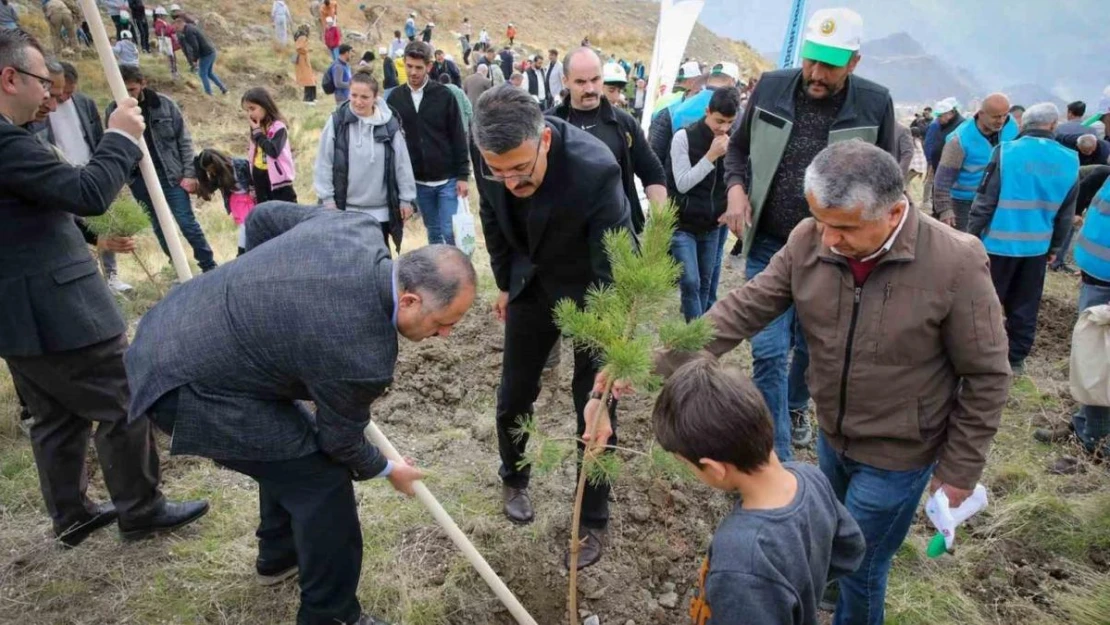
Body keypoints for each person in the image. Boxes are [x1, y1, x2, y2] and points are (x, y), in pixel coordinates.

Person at [594, 140, 1009, 625]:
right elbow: (743, 308)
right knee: (828, 541)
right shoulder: (808, 239)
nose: (828, 239)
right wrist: (653, 363)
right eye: (820, 221)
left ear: (895, 212)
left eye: (845, 227)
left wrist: (959, 469)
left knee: (865, 569)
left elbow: (985, 374)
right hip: (833, 433)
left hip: (900, 451)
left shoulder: (955, 262)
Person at [126, 201, 477, 625]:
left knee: (288, 444)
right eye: (444, 323)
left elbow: (262, 219)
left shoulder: (355, 228)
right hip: (186, 386)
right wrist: (388, 469)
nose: (444, 336)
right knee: (322, 481)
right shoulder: (363, 355)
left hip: (171, 324)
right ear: (409, 299)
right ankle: (331, 615)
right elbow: (340, 442)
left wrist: (260, 295)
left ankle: (278, 556)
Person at [0, 28, 209, 549]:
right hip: (61, 308)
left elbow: (30, 208)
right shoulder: (5, 142)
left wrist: (92, 234)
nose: (49, 94)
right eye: (40, 82)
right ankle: (142, 508)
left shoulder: (14, 140)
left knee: (54, 416)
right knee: (125, 397)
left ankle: (71, 513)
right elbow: (88, 190)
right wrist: (119, 136)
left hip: (18, 314)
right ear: (9, 78)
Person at [719, 8, 897, 458]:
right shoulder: (773, 86)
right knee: (769, 352)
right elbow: (737, 150)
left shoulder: (875, 104)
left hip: (834, 250)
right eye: (811, 61)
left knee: (811, 346)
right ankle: (774, 456)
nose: (816, 74)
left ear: (853, 63)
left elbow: (886, 177)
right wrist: (737, 190)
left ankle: (796, 405)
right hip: (769, 244)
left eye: (830, 66)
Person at [474, 84, 634, 569]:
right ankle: (515, 476)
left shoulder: (595, 168)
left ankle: (593, 517)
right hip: (530, 286)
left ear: (543, 139)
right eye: (496, 171)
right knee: (515, 392)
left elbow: (615, 266)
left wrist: (611, 351)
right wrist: (505, 281)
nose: (509, 181)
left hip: (590, 293)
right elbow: (491, 216)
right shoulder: (488, 150)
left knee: (594, 404)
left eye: (520, 169)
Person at [653, 359, 865, 625]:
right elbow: (850, 549)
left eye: (686, 465)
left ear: (715, 468)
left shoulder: (741, 560)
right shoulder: (811, 477)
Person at [967, 103, 1079, 376]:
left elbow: (984, 202)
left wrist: (970, 238)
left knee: (986, 304)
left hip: (996, 246)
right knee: (1025, 306)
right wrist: (1055, 247)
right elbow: (1067, 214)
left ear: (1022, 124)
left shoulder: (1005, 152)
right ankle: (1015, 360)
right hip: (1037, 249)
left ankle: (979, 357)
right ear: (1053, 125)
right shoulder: (1070, 159)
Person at [1034, 166, 1110, 472]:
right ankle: (1084, 425)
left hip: (1105, 291)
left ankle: (1095, 443)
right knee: (1092, 361)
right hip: (1097, 280)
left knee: (1100, 367)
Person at [110, 65, 217, 272]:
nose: (127, 95)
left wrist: (189, 174)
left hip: (171, 176)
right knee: (160, 227)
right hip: (140, 180)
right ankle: (178, 268)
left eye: (131, 89)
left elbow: (184, 140)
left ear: (143, 84)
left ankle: (209, 265)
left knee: (186, 222)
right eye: (123, 90)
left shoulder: (164, 105)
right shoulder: (113, 112)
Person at [551, 47, 666, 233]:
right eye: (580, 82)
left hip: (619, 235)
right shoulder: (549, 125)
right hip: (565, 237)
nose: (589, 89)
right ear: (565, 81)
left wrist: (661, 224)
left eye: (595, 80)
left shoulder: (624, 123)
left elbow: (652, 172)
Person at [45, 62, 131, 293]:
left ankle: (111, 277)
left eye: (69, 91)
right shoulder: (43, 108)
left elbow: (98, 137)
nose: (62, 97)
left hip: (90, 171)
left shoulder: (85, 103)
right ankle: (88, 279)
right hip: (63, 177)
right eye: (60, 91)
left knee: (104, 225)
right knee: (72, 229)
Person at [315, 70, 416, 254]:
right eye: (353, 95)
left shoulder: (389, 125)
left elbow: (402, 163)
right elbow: (324, 161)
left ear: (375, 97)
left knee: (379, 263)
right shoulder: (337, 122)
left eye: (364, 97)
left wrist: (406, 199)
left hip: (381, 212)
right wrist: (327, 199)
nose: (358, 101)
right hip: (344, 209)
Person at [386, 41, 470, 246]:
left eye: (418, 67)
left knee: (449, 232)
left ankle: (455, 274)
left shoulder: (444, 96)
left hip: (447, 179)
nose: (413, 72)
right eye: (409, 66)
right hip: (418, 181)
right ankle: (438, 276)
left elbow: (458, 136)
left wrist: (463, 175)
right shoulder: (395, 98)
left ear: (429, 67)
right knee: (432, 231)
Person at [669, 88, 740, 321]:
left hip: (712, 225)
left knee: (706, 284)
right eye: (719, 121)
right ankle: (696, 340)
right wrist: (710, 156)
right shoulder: (683, 137)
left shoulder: (733, 140)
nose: (723, 128)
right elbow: (682, 183)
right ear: (707, 111)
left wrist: (731, 206)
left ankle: (700, 336)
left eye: (729, 122)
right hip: (683, 224)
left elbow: (736, 177)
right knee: (690, 281)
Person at [933, 93, 1018, 231]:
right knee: (966, 246)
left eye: (1004, 115)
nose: (1001, 120)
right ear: (981, 114)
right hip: (966, 203)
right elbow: (943, 179)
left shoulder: (1012, 127)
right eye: (996, 116)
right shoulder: (959, 140)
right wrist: (944, 209)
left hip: (1001, 200)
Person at [193, 148, 254, 255]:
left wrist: (253, 188)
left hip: (252, 197)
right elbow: (208, 189)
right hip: (238, 202)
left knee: (254, 223)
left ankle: (247, 250)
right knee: (246, 225)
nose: (211, 172)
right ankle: (242, 252)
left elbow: (254, 176)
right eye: (208, 171)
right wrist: (199, 174)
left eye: (212, 169)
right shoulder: (218, 176)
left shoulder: (240, 164)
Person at [243, 87, 298, 204]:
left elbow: (273, 151)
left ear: (265, 106)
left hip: (278, 182)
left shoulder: (279, 127)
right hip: (260, 177)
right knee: (265, 214)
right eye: (247, 110)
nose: (250, 114)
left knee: (286, 215)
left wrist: (258, 133)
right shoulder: (256, 128)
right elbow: (253, 154)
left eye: (252, 108)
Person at [922, 97, 963, 214]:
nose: (938, 119)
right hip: (937, 165)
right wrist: (930, 161)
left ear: (951, 113)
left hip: (950, 170)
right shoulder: (941, 125)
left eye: (941, 116)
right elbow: (930, 143)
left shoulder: (961, 127)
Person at [176, 14, 227, 96]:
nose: (177, 30)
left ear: (182, 24)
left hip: (206, 54)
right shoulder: (190, 27)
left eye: (177, 28)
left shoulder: (188, 32)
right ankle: (223, 89)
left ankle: (209, 93)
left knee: (202, 74)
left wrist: (195, 59)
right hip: (211, 51)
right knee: (209, 73)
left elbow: (195, 46)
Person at [152, 7, 178, 80]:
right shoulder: (159, 23)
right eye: (164, 15)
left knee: (173, 58)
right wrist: (172, 29)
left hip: (169, 42)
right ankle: (173, 73)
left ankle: (174, 72)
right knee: (171, 58)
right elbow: (161, 32)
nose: (165, 16)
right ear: (160, 15)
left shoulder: (161, 22)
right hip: (166, 43)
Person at [293, 25, 316, 104]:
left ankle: (311, 97)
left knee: (310, 79)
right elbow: (299, 48)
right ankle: (308, 98)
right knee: (308, 79)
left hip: (303, 58)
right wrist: (307, 50)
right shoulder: (302, 37)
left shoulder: (300, 36)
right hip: (303, 59)